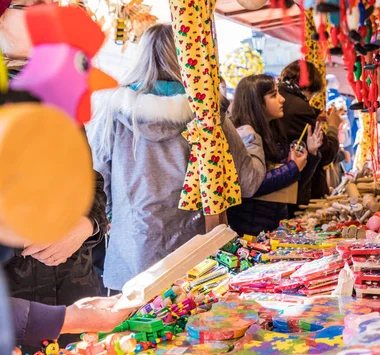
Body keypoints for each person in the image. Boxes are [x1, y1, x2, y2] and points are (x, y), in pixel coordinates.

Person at [88, 24, 266, 292]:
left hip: (131, 261)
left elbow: (98, 183)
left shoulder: (114, 112)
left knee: (133, 334)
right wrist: (253, 143)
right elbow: (247, 181)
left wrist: (120, 216)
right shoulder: (206, 111)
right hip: (197, 262)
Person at [0, 0, 110, 348]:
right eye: (27, 4)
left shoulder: (57, 89)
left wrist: (85, 226)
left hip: (76, 294)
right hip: (17, 316)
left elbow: (89, 181)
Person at [227, 74, 322, 236]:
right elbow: (253, 186)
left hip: (274, 226)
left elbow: (291, 186)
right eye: (273, 95)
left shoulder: (273, 131)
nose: (282, 99)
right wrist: (292, 168)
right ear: (255, 102)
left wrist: (310, 155)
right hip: (250, 230)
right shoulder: (244, 135)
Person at [278, 60, 341, 213]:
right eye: (312, 94)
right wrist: (333, 126)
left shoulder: (284, 98)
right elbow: (327, 154)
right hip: (299, 190)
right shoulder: (300, 108)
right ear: (307, 86)